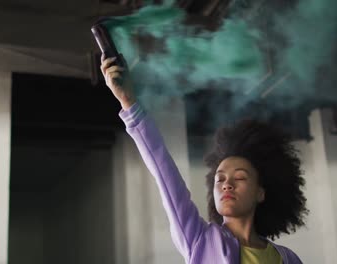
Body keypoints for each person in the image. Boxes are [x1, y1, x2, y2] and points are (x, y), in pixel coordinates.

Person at [100, 54, 308, 264]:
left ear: (260, 193)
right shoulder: (200, 240)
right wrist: (128, 102)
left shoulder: (288, 259)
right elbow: (164, 171)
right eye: (220, 179)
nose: (227, 185)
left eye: (241, 178)